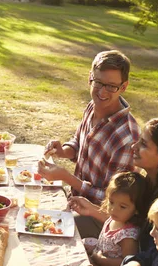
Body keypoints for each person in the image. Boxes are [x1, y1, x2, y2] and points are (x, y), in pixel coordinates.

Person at [40, 50, 140, 238]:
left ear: (124, 87)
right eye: (99, 83)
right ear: (90, 78)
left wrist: (67, 178)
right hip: (76, 202)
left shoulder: (126, 138)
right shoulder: (93, 105)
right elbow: (79, 144)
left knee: (42, 227)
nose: (102, 92)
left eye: (111, 86)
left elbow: (115, 200)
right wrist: (63, 151)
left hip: (101, 220)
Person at [70, 118, 158, 249]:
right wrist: (92, 209)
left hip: (131, 263)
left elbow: (149, 254)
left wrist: (102, 263)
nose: (133, 146)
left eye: (143, 144)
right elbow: (129, 223)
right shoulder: (147, 182)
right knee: (70, 222)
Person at [83, 172, 151, 266]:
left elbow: (125, 263)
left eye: (123, 206)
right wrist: (94, 249)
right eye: (111, 202)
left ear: (136, 209)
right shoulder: (114, 219)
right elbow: (105, 243)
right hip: (100, 260)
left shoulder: (128, 235)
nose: (113, 209)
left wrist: (99, 261)